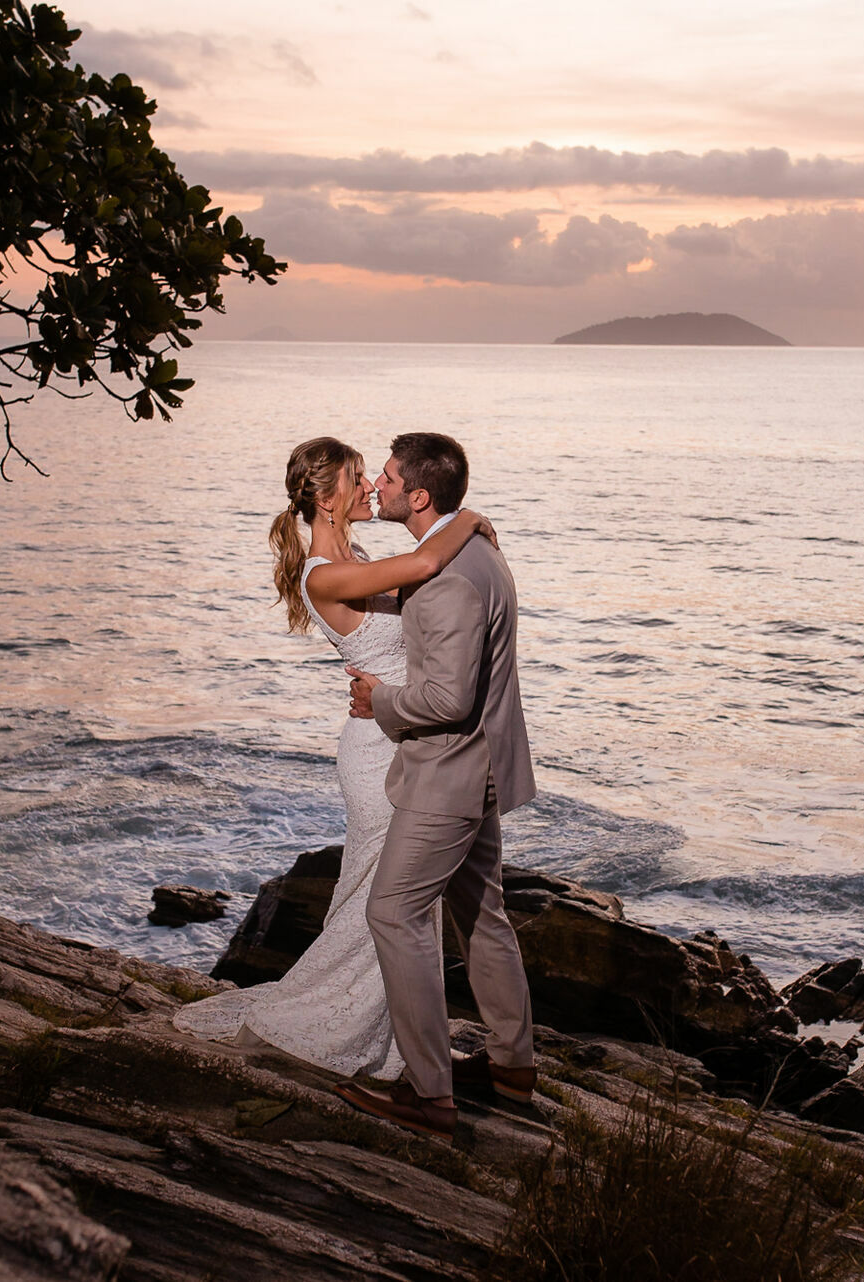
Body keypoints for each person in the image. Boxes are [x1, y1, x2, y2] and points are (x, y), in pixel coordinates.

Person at [171, 437, 492, 1078]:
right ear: (327, 498)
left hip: (400, 727)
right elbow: (426, 566)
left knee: (398, 896)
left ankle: (401, 1039)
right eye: (357, 480)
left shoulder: (359, 555)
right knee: (388, 896)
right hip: (378, 751)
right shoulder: (325, 574)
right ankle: (352, 1032)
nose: (372, 487)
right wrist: (471, 521)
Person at [333, 432, 538, 1140]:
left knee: (393, 913)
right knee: (482, 913)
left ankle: (430, 1096)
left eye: (387, 477)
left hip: (448, 773)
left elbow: (447, 700)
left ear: (418, 496)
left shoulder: (449, 575)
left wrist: (379, 702)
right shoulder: (472, 548)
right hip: (483, 767)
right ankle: (513, 1066)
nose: (378, 486)